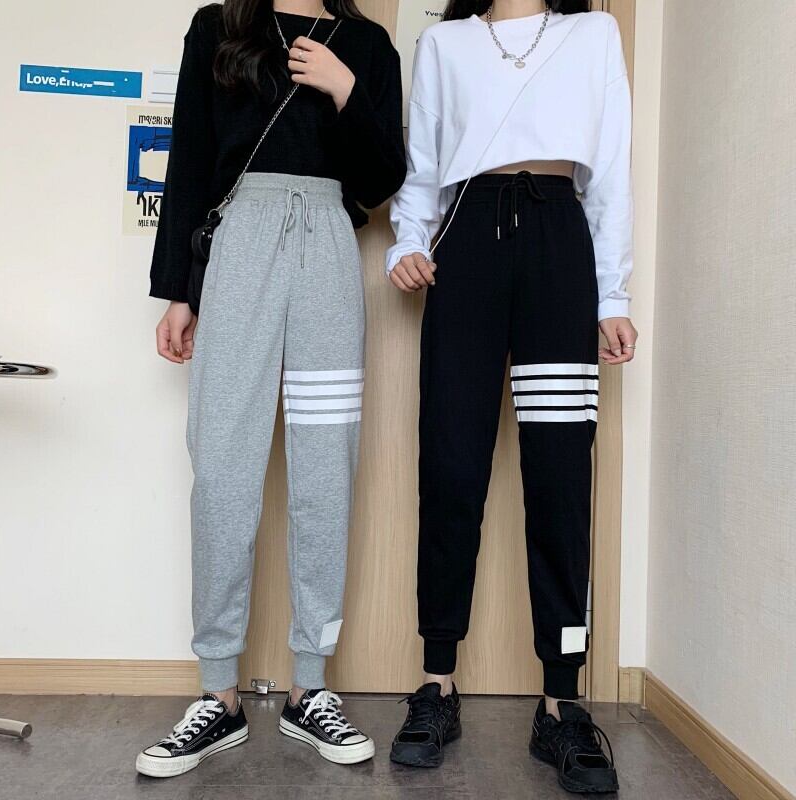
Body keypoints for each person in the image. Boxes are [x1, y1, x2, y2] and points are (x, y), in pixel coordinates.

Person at [136, 0, 405, 777]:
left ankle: (309, 686)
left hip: (329, 250)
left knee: (326, 469)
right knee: (222, 467)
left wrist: (345, 88)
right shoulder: (218, 26)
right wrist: (179, 291)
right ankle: (217, 693)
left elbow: (382, 179)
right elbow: (190, 161)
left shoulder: (367, 45)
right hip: (240, 245)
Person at [386, 0, 636, 793]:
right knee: (451, 468)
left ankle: (561, 701)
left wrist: (612, 295)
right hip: (464, 242)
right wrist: (406, 240)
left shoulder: (593, 33)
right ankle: (437, 683)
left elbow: (612, 166)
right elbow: (422, 162)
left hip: (561, 243)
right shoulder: (445, 42)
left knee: (560, 475)